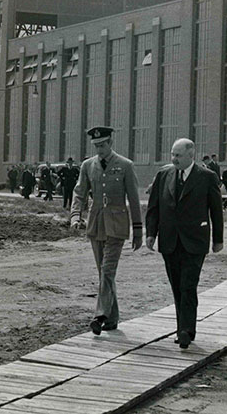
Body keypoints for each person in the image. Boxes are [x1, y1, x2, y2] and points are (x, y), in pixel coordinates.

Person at [146, 138, 224, 349]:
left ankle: (186, 330)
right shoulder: (164, 175)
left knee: (188, 285)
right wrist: (151, 233)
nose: (174, 159)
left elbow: (216, 210)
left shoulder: (207, 177)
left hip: (194, 241)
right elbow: (154, 207)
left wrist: (218, 239)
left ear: (191, 155)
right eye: (172, 154)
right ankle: (182, 327)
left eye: (178, 155)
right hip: (170, 240)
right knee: (176, 286)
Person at [71, 126, 142, 335]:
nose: (99, 150)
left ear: (110, 143)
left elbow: (134, 200)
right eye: (96, 146)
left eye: (102, 145)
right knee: (103, 272)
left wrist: (138, 230)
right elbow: (79, 193)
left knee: (107, 270)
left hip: (117, 226)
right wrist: (76, 216)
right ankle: (112, 318)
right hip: (96, 224)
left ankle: (100, 315)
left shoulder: (125, 165)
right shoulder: (87, 166)